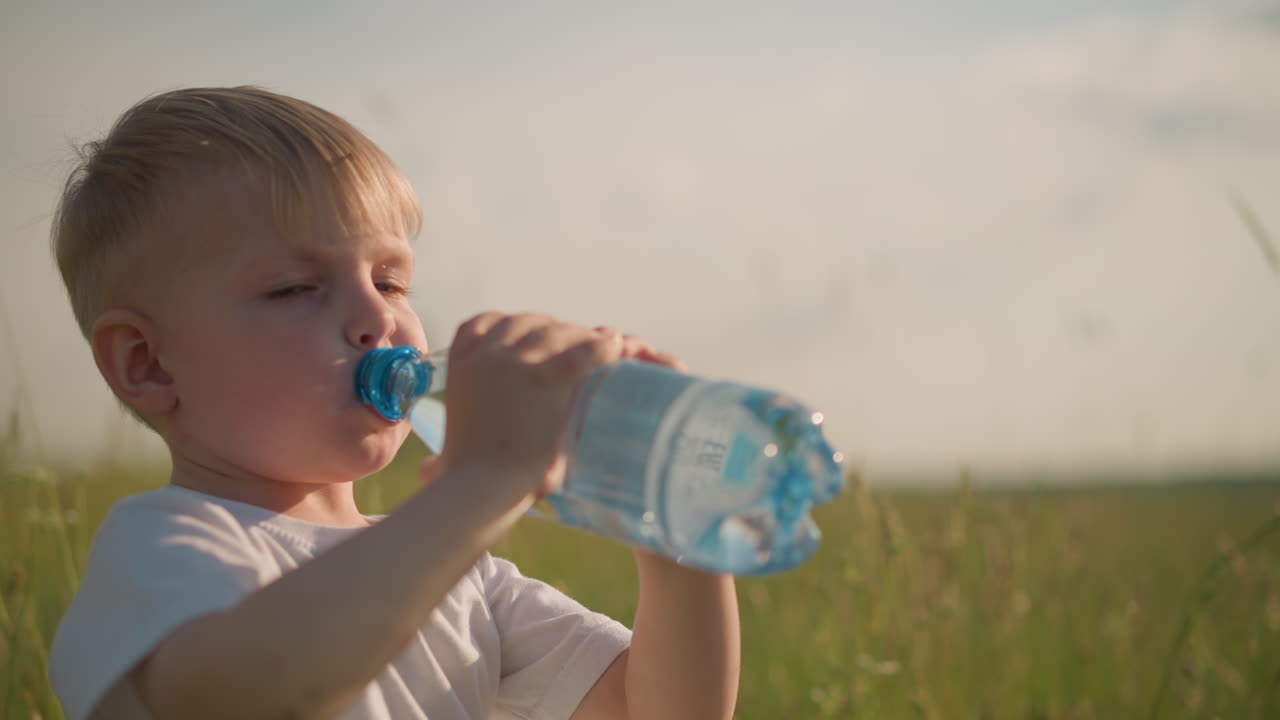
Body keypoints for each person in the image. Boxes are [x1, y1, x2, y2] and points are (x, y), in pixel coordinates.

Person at [46, 86, 740, 720]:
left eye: (390, 280)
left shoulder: (464, 577)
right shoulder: (164, 545)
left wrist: (680, 543)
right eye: (293, 287)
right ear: (148, 363)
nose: (374, 318)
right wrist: (483, 481)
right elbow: (243, 695)